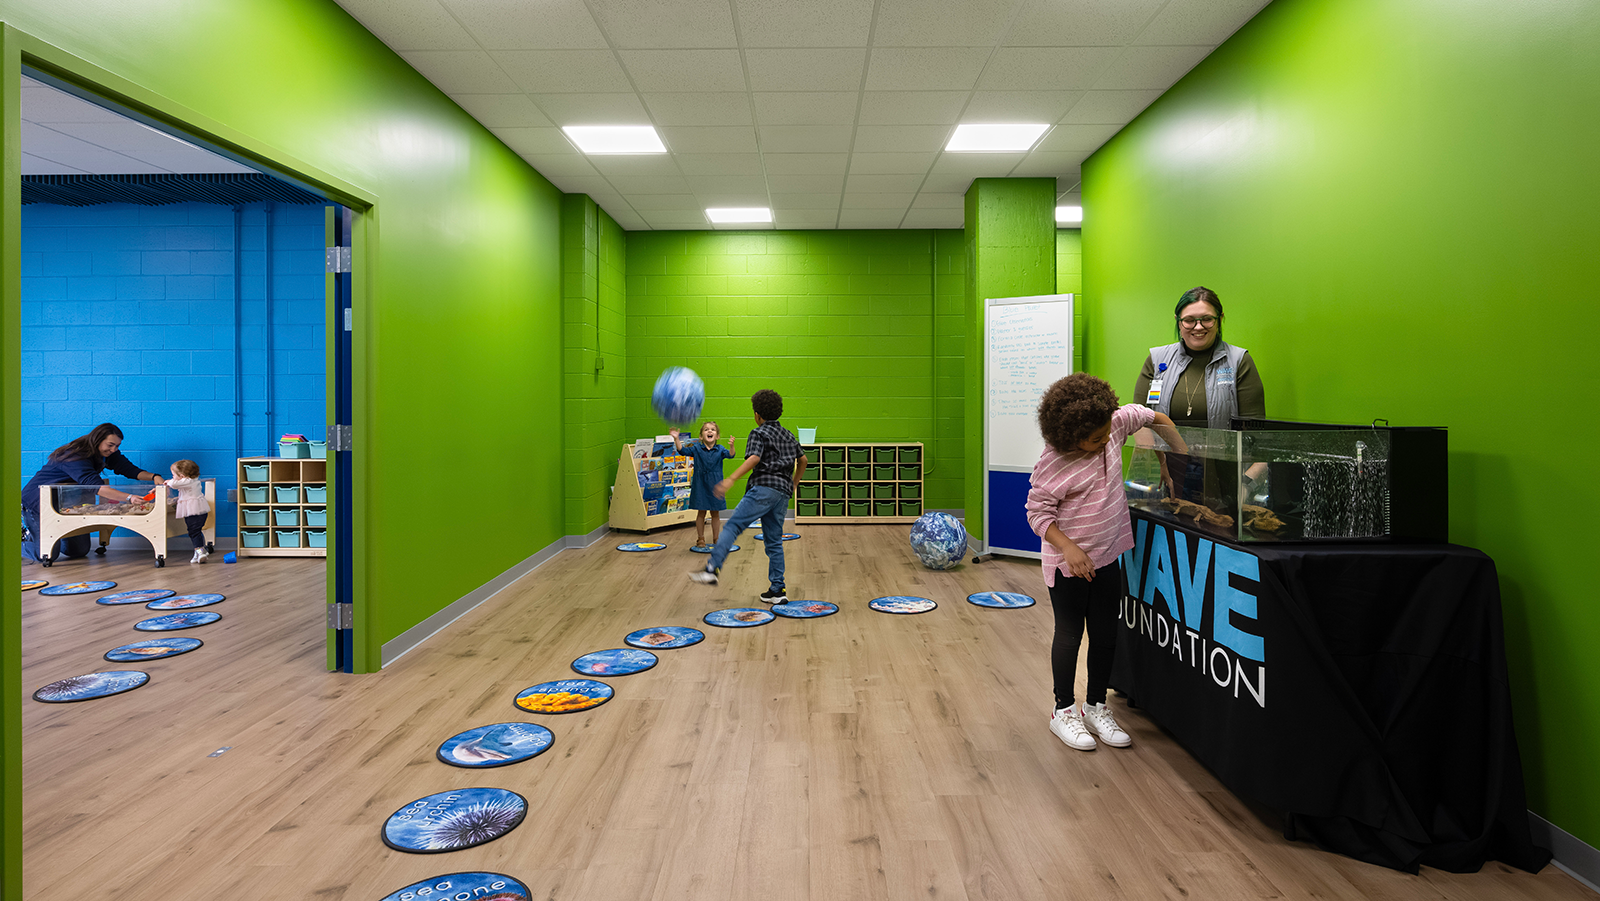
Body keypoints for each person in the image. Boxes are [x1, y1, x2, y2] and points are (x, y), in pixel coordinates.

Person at [1026, 373, 1186, 752]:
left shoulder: (1112, 426)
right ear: (1069, 436)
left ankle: (1096, 706)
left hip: (1109, 555)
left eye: (1105, 435)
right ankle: (1063, 710)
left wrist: (1181, 451)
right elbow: (1037, 514)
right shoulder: (1054, 461)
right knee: (1069, 634)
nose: (1103, 444)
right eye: (1093, 440)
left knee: (1105, 633)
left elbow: (1151, 416)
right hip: (1070, 565)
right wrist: (1068, 548)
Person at [1132, 286, 1266, 500]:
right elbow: (1137, 419)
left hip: (1222, 481)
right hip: (1166, 474)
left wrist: (1246, 483)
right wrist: (1157, 468)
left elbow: (1256, 436)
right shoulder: (1157, 360)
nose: (1198, 327)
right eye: (1189, 320)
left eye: (1207, 319)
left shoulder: (1239, 361)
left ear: (1220, 318)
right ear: (1178, 320)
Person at [688, 389, 807, 603]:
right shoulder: (789, 434)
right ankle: (778, 591)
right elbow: (804, 460)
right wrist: (794, 484)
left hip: (763, 488)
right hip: (782, 494)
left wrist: (731, 479)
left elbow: (754, 458)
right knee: (774, 541)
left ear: (757, 415)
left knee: (733, 526)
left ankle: (711, 569)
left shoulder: (758, 432)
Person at [21, 423, 166, 564]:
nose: (114, 449)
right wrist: (129, 497)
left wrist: (154, 476)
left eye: (117, 446)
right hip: (38, 501)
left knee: (78, 551)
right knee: (46, 555)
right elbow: (96, 487)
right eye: (110, 445)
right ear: (97, 440)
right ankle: (17, 542)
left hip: (67, 501)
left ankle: (51, 537)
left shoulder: (107, 452)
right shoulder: (75, 456)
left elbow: (128, 469)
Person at [670, 421, 738, 548]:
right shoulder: (696, 448)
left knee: (715, 513)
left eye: (712, 429)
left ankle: (716, 538)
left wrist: (732, 445)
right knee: (701, 513)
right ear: (701, 436)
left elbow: (730, 455)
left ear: (717, 436)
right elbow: (682, 451)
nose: (709, 431)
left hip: (715, 485)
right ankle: (700, 538)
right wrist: (676, 438)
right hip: (700, 484)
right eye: (706, 429)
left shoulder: (720, 449)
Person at [165, 460, 212, 564]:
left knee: (194, 532)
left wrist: (168, 482)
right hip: (198, 510)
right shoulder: (193, 481)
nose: (172, 477)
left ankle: (200, 551)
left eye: (173, 475)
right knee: (195, 531)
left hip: (194, 511)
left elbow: (173, 484)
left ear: (182, 476)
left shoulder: (188, 481)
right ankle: (198, 552)